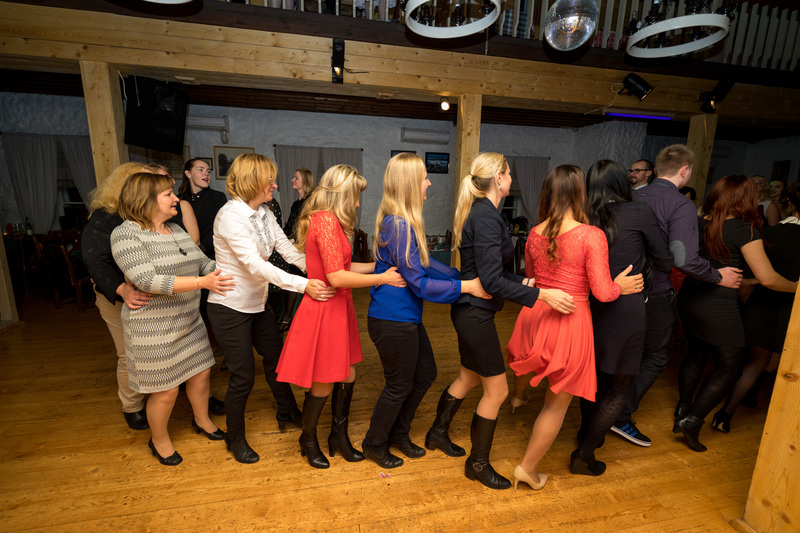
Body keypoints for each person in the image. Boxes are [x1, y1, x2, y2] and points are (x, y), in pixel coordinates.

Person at [424, 153, 577, 491]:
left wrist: (526, 282)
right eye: (508, 173)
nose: (511, 178)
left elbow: (491, 272)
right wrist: (542, 295)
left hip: (470, 311)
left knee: (468, 377)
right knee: (498, 390)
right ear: (498, 179)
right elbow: (491, 281)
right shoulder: (487, 216)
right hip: (474, 314)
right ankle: (477, 464)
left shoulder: (483, 212)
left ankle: (437, 432)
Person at [506, 164, 643, 489]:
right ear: (581, 194)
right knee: (556, 404)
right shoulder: (591, 235)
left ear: (547, 193)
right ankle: (527, 468)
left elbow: (532, 276)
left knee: (527, 358)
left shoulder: (535, 232)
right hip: (570, 317)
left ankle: (518, 396)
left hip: (537, 310)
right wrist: (620, 286)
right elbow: (603, 293)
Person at [361, 153, 490, 469]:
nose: (429, 183)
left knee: (425, 373)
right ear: (409, 184)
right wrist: (465, 287)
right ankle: (374, 443)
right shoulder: (398, 224)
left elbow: (425, 265)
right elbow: (419, 284)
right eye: (424, 178)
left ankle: (398, 433)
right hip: (392, 319)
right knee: (399, 384)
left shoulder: (402, 223)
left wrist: (459, 275)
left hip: (404, 318)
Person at [206, 154, 336, 464]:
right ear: (252, 182)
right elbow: (254, 265)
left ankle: (287, 410)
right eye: (269, 180)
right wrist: (303, 284)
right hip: (230, 308)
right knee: (242, 377)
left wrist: (324, 270)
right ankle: (235, 438)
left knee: (277, 361)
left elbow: (288, 250)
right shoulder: (230, 216)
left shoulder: (264, 212)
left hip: (257, 304)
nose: (275, 185)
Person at [276, 164, 406, 470]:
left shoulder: (332, 221)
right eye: (355, 196)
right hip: (324, 309)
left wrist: (380, 266)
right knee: (324, 381)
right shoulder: (324, 221)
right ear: (341, 194)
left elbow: (345, 267)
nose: (358, 203)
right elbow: (336, 277)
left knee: (347, 374)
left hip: (337, 307)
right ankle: (308, 440)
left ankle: (338, 435)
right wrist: (382, 279)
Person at [613, 144, 743, 447]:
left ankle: (607, 407)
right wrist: (717, 275)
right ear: (685, 170)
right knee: (656, 355)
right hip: (655, 290)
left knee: (625, 352)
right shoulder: (680, 204)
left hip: (622, 287)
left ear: (656, 169)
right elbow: (683, 259)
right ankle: (619, 414)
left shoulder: (630, 196)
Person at [111, 172, 235, 465]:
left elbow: (202, 262)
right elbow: (147, 280)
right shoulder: (126, 234)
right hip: (153, 328)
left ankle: (202, 420)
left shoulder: (176, 229)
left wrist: (231, 271)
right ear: (145, 199)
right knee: (166, 390)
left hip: (188, 321)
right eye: (168, 194)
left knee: (201, 374)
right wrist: (202, 283)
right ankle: (159, 440)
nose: (176, 198)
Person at [674, 175, 797, 451]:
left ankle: (682, 410)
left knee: (696, 353)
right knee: (731, 367)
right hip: (718, 305)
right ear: (746, 199)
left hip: (690, 297)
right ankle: (691, 420)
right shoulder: (743, 230)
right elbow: (769, 278)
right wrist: (797, 288)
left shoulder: (698, 221)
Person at [575, 160, 672, 475]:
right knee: (619, 385)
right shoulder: (638, 211)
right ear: (622, 182)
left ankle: (587, 433)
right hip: (625, 305)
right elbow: (665, 258)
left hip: (589, 304)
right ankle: (584, 454)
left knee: (592, 378)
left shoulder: (582, 216)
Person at [716, 182, 800, 431]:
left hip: (762, 303)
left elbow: (750, 274)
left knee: (755, 362)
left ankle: (726, 413)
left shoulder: (768, 233)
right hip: (791, 310)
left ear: (789, 203)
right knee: (779, 362)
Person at [82, 162, 153, 430]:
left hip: (153, 295)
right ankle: (132, 406)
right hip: (119, 297)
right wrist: (121, 288)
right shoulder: (104, 218)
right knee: (128, 353)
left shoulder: (154, 213)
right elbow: (95, 260)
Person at [276, 167, 315, 332]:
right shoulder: (296, 204)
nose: (292, 180)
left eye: (296, 178)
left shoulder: (312, 202)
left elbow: (310, 228)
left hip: (306, 249)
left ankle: (294, 319)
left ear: (305, 181)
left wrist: (295, 241)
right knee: (293, 280)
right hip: (295, 248)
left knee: (302, 282)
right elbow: (290, 227)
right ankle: (289, 317)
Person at [176, 158, 227, 260]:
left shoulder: (217, 197)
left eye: (208, 171)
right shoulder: (178, 199)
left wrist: (200, 249)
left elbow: (222, 229)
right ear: (188, 174)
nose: (206, 174)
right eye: (200, 170)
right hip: (183, 256)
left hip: (212, 256)